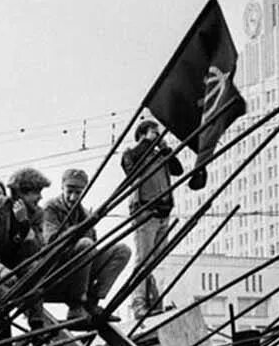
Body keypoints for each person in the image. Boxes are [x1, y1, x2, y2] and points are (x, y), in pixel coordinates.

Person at [39, 168, 130, 319]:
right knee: (86, 244)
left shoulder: (85, 214)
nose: (73, 197)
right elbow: (51, 241)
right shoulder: (51, 208)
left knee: (122, 250)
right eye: (70, 191)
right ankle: (76, 306)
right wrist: (79, 230)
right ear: (62, 187)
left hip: (80, 270)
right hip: (56, 270)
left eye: (78, 192)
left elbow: (94, 247)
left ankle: (92, 301)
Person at [0, 167, 50, 331]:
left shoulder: (37, 214)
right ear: (21, 193)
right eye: (36, 193)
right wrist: (0, 268)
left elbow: (37, 249)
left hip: (18, 262)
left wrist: (24, 224)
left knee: (36, 267)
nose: (40, 197)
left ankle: (37, 323)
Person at [120, 119, 183, 318]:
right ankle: (138, 303)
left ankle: (155, 301)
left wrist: (166, 150)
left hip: (163, 212)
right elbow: (130, 169)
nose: (158, 136)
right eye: (154, 132)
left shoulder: (159, 155)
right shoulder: (133, 153)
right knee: (143, 261)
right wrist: (146, 142)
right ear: (143, 134)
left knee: (158, 261)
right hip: (145, 211)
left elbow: (177, 169)